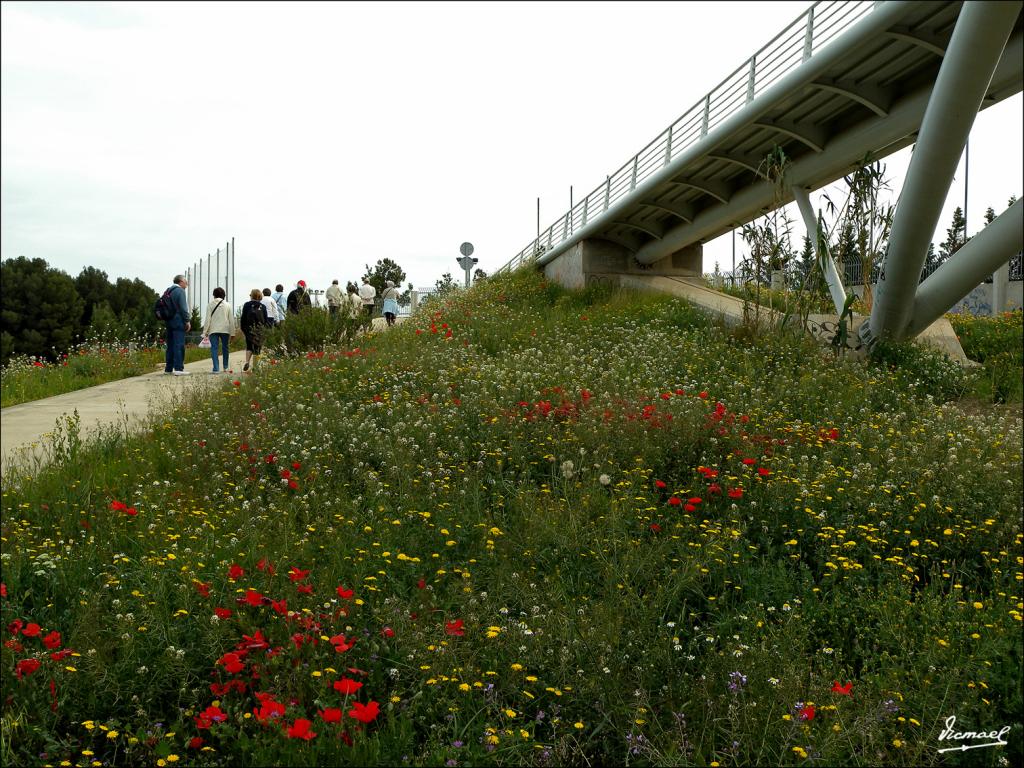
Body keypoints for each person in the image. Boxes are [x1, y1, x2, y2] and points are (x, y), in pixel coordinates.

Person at [202, 286, 235, 373]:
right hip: (225, 330)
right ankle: (225, 367)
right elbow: (231, 320)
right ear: (224, 295)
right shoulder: (228, 305)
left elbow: (207, 319)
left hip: (213, 330)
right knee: (225, 348)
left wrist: (205, 332)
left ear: (214, 295)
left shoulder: (210, 304)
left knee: (214, 348)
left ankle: (216, 368)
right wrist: (233, 333)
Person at [163, 274, 191, 376]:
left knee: (170, 345)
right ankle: (179, 368)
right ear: (180, 282)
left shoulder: (168, 290)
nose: (187, 283)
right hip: (178, 321)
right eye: (185, 281)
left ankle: (168, 369)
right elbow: (183, 308)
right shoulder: (180, 291)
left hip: (168, 321)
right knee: (179, 344)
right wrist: (187, 321)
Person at [240, 288, 269, 372]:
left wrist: (243, 329)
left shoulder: (247, 305)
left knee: (249, 346)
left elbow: (243, 318)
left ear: (251, 296)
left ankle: (247, 362)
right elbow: (265, 320)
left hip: (248, 329)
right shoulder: (263, 307)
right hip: (259, 330)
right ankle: (256, 367)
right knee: (257, 348)